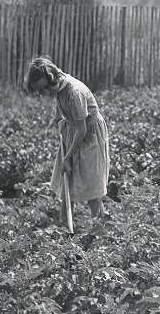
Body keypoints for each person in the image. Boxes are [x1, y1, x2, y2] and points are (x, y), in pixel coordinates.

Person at [24, 57, 111, 224]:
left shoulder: (74, 93)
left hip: (89, 135)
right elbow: (61, 104)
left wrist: (68, 157)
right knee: (67, 185)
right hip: (74, 131)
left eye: (45, 89)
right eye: (41, 91)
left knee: (92, 187)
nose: (45, 93)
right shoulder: (59, 85)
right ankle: (65, 228)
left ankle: (100, 230)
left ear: (52, 79)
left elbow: (82, 129)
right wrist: (58, 118)